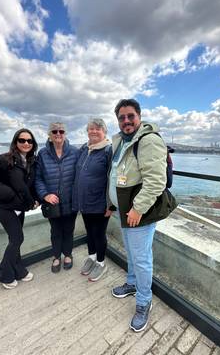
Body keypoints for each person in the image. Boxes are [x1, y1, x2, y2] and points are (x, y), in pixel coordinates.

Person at [108, 99, 173, 332]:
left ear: (139, 116)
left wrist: (137, 209)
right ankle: (133, 283)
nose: (126, 121)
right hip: (125, 211)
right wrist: (112, 204)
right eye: (121, 117)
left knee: (142, 258)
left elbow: (156, 181)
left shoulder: (148, 141)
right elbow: (115, 175)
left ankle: (144, 302)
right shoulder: (121, 142)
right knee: (133, 254)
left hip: (139, 213)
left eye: (130, 116)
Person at [0, 128, 39, 289]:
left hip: (20, 208)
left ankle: (19, 270)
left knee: (15, 240)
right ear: (16, 142)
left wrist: (35, 199)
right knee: (17, 238)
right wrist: (8, 194)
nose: (26, 143)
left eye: (29, 141)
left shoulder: (31, 162)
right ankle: (4, 273)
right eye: (22, 140)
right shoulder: (4, 159)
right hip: (5, 207)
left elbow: (31, 185)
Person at [35, 123, 79, 273]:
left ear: (65, 134)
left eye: (61, 131)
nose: (58, 134)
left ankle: (67, 254)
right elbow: (38, 178)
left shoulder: (74, 152)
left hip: (70, 201)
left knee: (69, 230)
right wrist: (45, 195)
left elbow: (80, 175)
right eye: (55, 131)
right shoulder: (42, 154)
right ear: (49, 134)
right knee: (55, 231)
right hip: (52, 204)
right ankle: (56, 256)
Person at [72, 118, 112, 282]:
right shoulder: (84, 149)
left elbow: (113, 179)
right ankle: (92, 257)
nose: (94, 131)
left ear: (104, 132)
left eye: (98, 129)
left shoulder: (108, 150)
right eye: (90, 129)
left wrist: (111, 205)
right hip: (84, 202)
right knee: (89, 232)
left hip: (100, 204)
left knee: (99, 234)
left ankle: (101, 263)